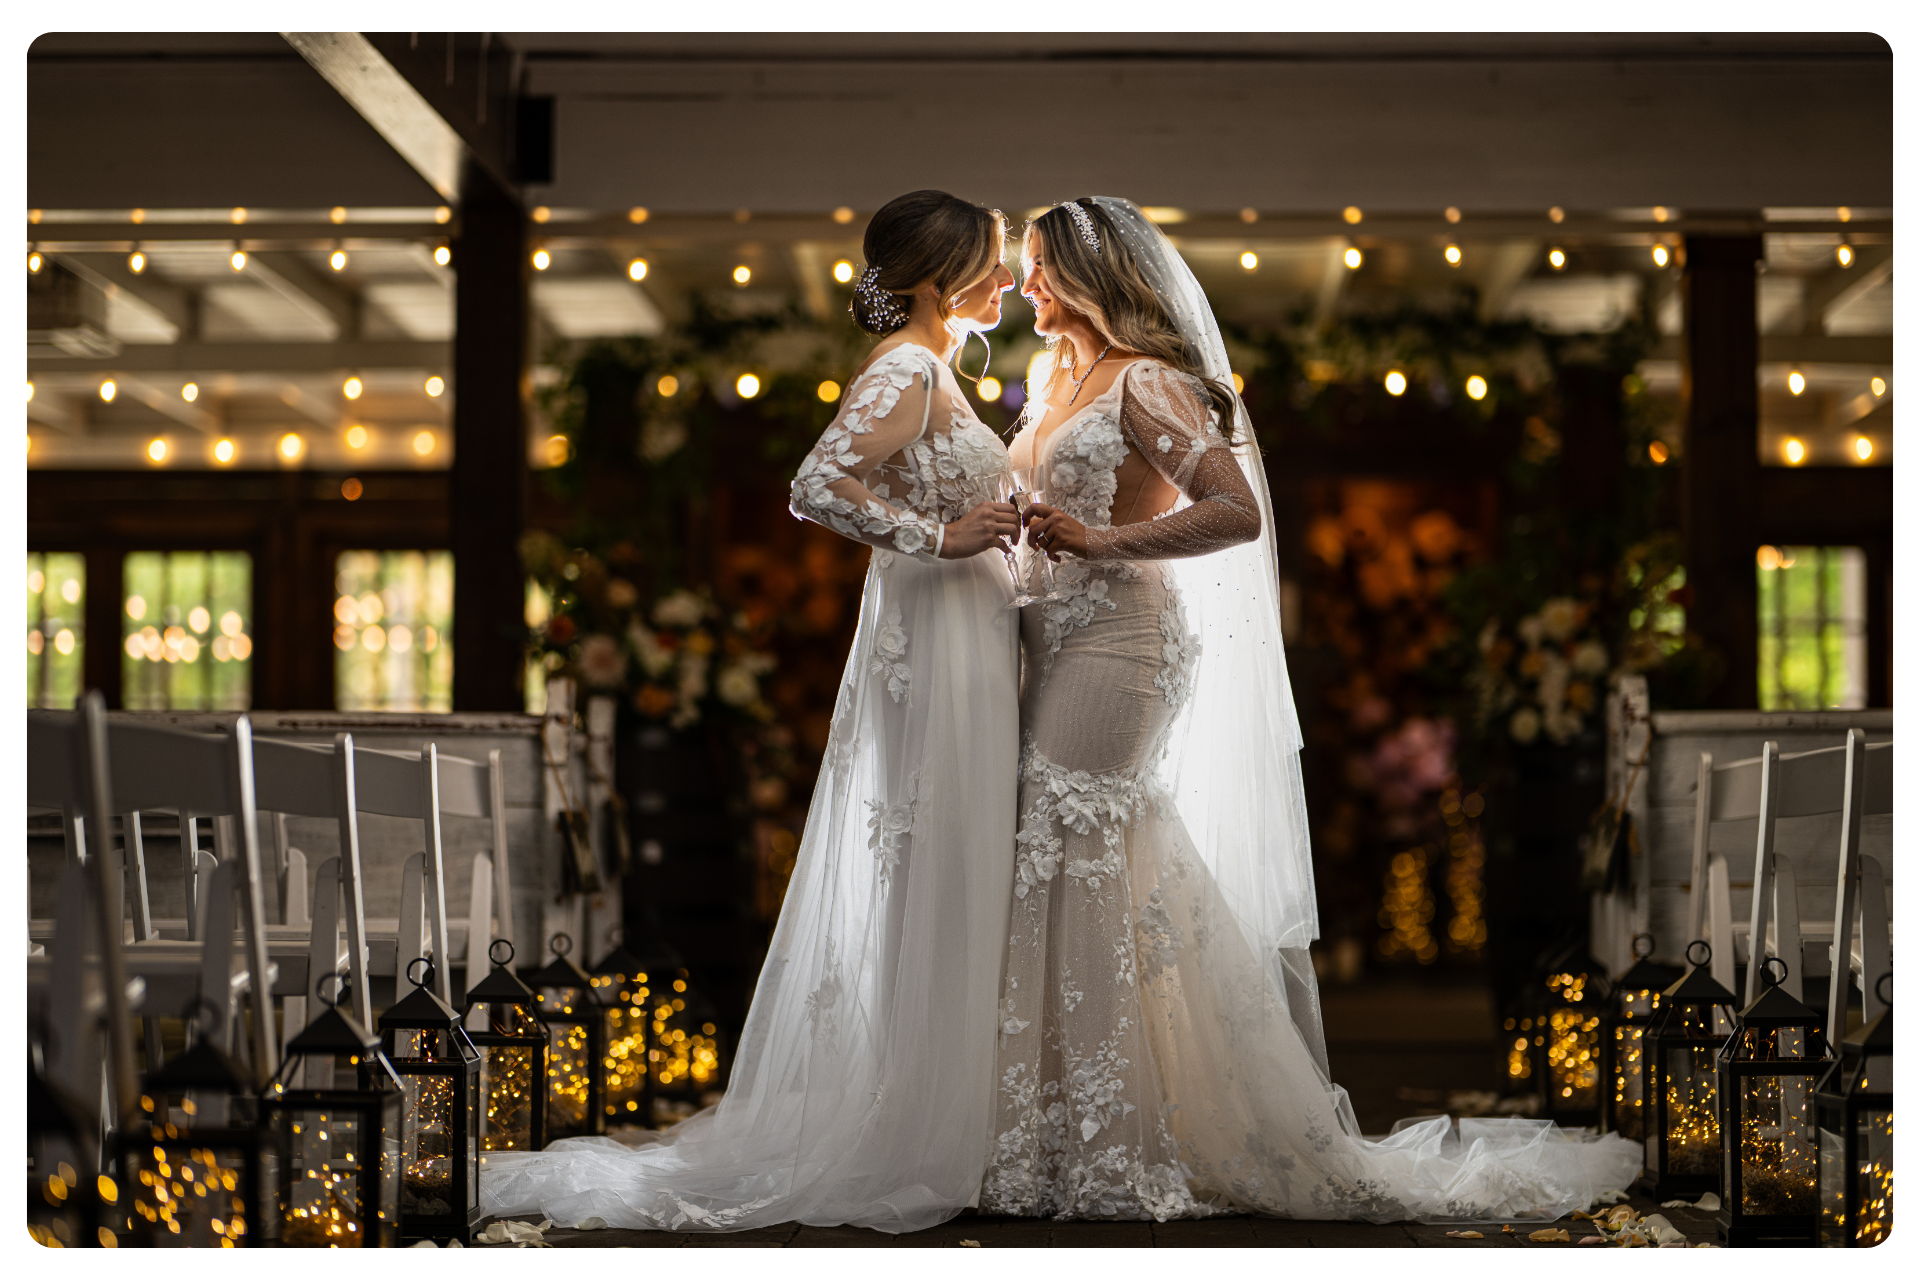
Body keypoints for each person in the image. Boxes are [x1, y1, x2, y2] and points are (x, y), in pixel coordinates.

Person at [984, 196, 1638, 1223]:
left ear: (1080, 275)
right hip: (1053, 641)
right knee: (1077, 849)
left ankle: (1112, 1141)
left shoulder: (1147, 382)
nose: (1020, 286)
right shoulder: (1056, 382)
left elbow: (1234, 510)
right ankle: (1067, 1121)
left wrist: (1102, 545)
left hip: (1124, 643)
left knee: (1080, 841)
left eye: (1034, 268)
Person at [483, 190, 1023, 1233]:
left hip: (964, 639)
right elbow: (817, 483)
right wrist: (941, 536)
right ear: (935, 278)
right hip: (942, 635)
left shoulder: (934, 365)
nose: (1004, 284)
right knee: (942, 859)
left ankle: (953, 1106)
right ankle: (923, 1120)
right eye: (991, 266)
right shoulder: (909, 367)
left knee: (953, 865)